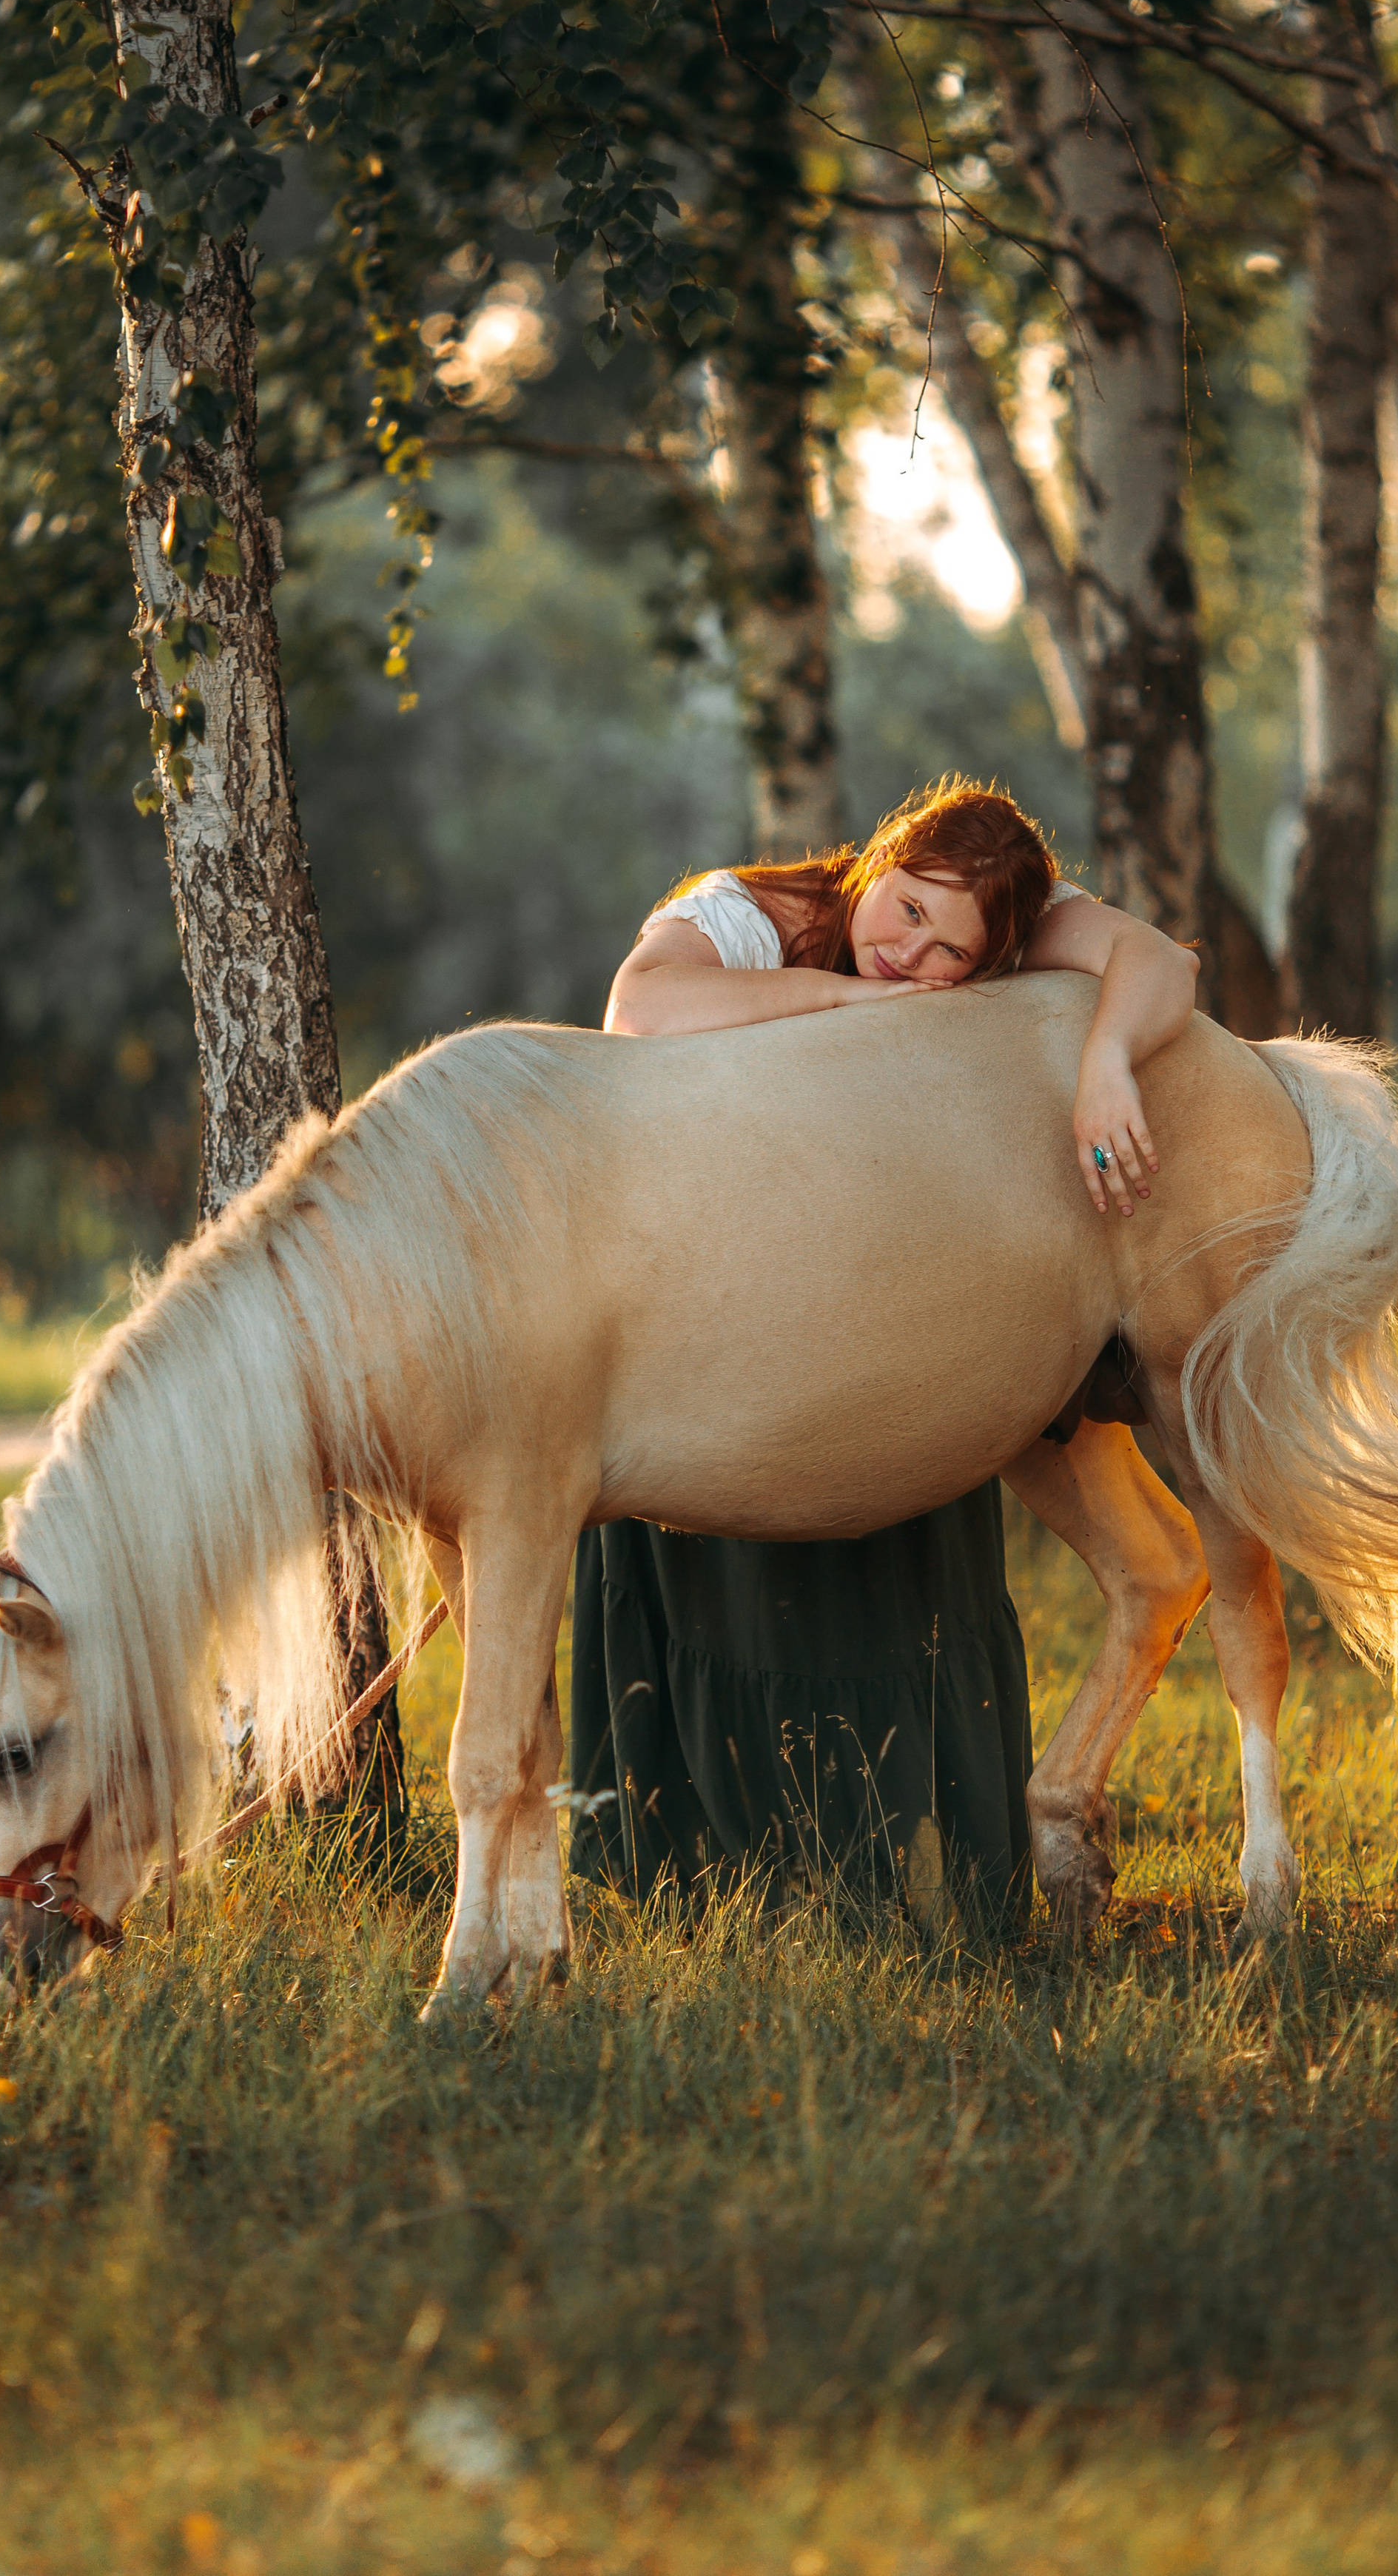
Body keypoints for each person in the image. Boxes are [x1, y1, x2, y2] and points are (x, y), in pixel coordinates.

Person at [567, 776, 1200, 1931]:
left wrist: (1107, 1061)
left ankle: (896, 1870)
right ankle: (692, 1871)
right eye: (905, 908)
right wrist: (847, 1007)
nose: (911, 952)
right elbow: (641, 1013)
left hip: (879, 1288)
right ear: (880, 861)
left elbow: (1164, 963)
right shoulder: (752, 913)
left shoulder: (1006, 922)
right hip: (709, 1290)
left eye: (949, 951)